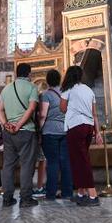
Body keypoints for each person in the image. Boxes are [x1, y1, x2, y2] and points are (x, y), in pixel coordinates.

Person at [0, 63, 39, 208]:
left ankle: (7, 198)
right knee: (26, 164)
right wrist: (19, 125)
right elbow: (31, 108)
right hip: (26, 131)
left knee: (8, 164)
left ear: (16, 73)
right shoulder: (32, 87)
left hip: (8, 133)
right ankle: (25, 198)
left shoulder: (6, 89)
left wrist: (5, 124)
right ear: (29, 74)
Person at [59, 65, 102, 207]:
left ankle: (93, 195)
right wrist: (97, 132)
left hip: (76, 126)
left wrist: (73, 107)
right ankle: (81, 193)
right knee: (80, 159)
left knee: (81, 161)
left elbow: (62, 108)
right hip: (88, 127)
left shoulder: (68, 89)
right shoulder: (88, 90)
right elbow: (94, 114)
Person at [39, 69, 73, 201]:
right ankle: (67, 192)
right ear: (59, 80)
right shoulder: (65, 93)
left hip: (50, 131)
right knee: (65, 162)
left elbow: (43, 115)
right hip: (65, 131)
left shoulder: (46, 95)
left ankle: (51, 194)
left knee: (52, 162)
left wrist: (39, 130)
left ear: (47, 81)